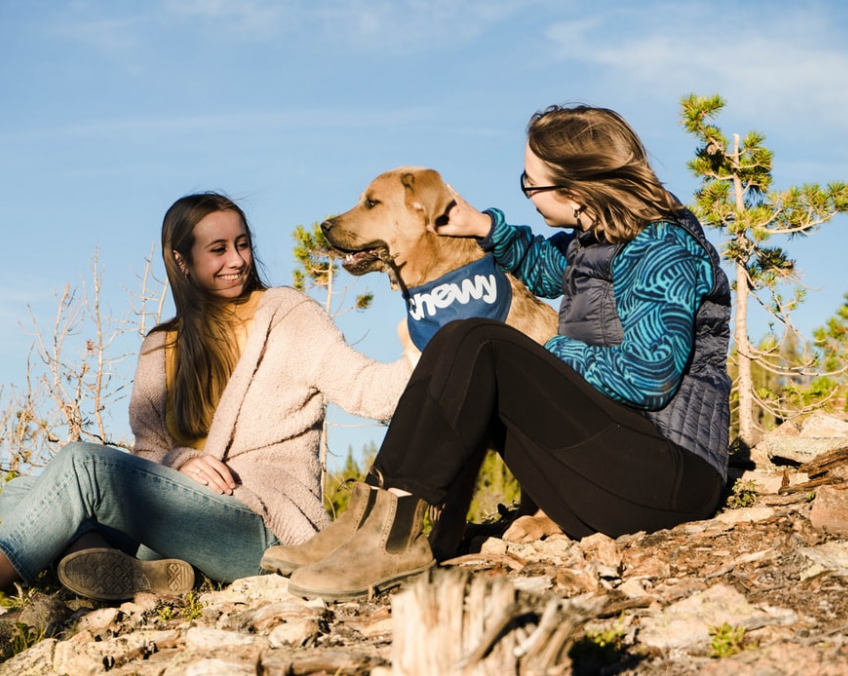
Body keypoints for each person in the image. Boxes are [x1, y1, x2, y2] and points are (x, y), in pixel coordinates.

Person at [0, 193, 411, 661]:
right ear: (182, 260)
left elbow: (369, 390)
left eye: (242, 244)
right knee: (21, 490)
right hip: (175, 527)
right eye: (218, 249)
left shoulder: (288, 314)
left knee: (80, 466)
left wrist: (420, 344)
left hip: (258, 524)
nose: (237, 261)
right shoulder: (163, 343)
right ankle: (142, 577)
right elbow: (150, 450)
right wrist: (181, 462)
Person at [266, 104, 733, 601]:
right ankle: (376, 523)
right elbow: (545, 268)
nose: (526, 194)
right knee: (465, 340)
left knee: (478, 340)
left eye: (531, 184)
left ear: (576, 189)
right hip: (611, 469)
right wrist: (483, 227)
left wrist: (546, 351)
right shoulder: (595, 240)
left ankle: (392, 541)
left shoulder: (664, 248)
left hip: (666, 480)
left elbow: (648, 377)